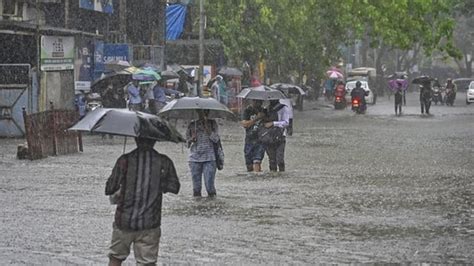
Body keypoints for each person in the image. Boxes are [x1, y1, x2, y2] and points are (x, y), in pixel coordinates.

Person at [105, 137, 180, 265]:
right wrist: (158, 182)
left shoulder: (124, 160)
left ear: (136, 139)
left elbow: (109, 188)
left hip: (124, 221)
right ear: (155, 140)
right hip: (150, 223)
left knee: (116, 257)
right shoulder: (164, 162)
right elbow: (175, 187)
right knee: (147, 262)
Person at [186, 109, 220, 197]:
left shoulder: (212, 124)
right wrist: (191, 139)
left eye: (205, 112)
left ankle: (212, 205)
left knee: (210, 186)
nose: (203, 115)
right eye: (201, 113)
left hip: (210, 158)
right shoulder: (192, 125)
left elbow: (216, 139)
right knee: (196, 188)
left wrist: (208, 130)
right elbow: (186, 144)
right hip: (194, 159)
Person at [262, 99, 290, 172]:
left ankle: (282, 173)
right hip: (269, 137)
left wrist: (274, 123)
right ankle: (273, 175)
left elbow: (286, 123)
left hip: (280, 136)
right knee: (272, 160)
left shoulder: (283, 108)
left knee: (280, 159)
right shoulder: (266, 109)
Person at [241, 99, 266, 172]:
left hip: (261, 139)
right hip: (249, 139)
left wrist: (264, 117)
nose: (258, 103)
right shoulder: (247, 111)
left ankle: (257, 178)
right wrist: (256, 118)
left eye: (260, 101)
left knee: (257, 161)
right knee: (249, 165)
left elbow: (268, 123)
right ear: (252, 101)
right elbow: (245, 124)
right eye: (256, 101)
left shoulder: (264, 111)